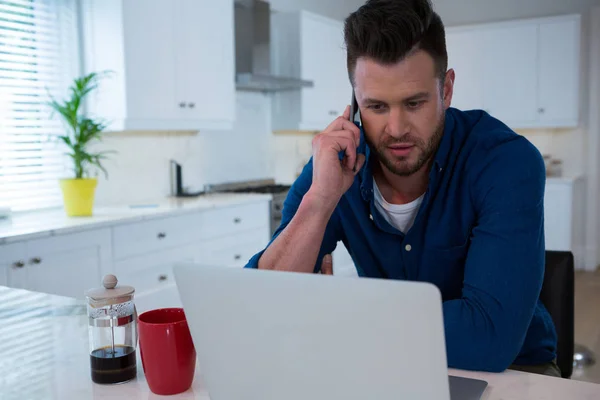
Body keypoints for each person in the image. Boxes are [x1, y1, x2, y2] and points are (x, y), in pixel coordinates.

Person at [244, 0, 559, 376]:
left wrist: (333, 317)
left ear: (446, 90)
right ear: (354, 105)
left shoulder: (505, 162)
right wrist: (319, 201)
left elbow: (488, 338)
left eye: (414, 103)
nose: (395, 129)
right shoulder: (335, 165)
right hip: (388, 360)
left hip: (514, 372)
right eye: (376, 106)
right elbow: (262, 305)